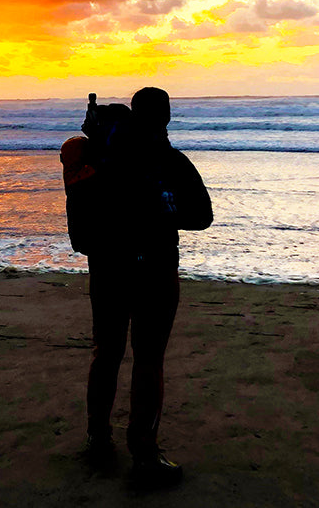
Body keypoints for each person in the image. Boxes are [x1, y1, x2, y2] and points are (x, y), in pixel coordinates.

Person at [74, 87, 213, 487]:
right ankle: (144, 455)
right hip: (155, 270)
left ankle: (98, 439)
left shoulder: (101, 157)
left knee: (106, 353)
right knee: (149, 360)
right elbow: (201, 216)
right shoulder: (171, 161)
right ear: (167, 116)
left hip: (106, 268)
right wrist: (163, 212)